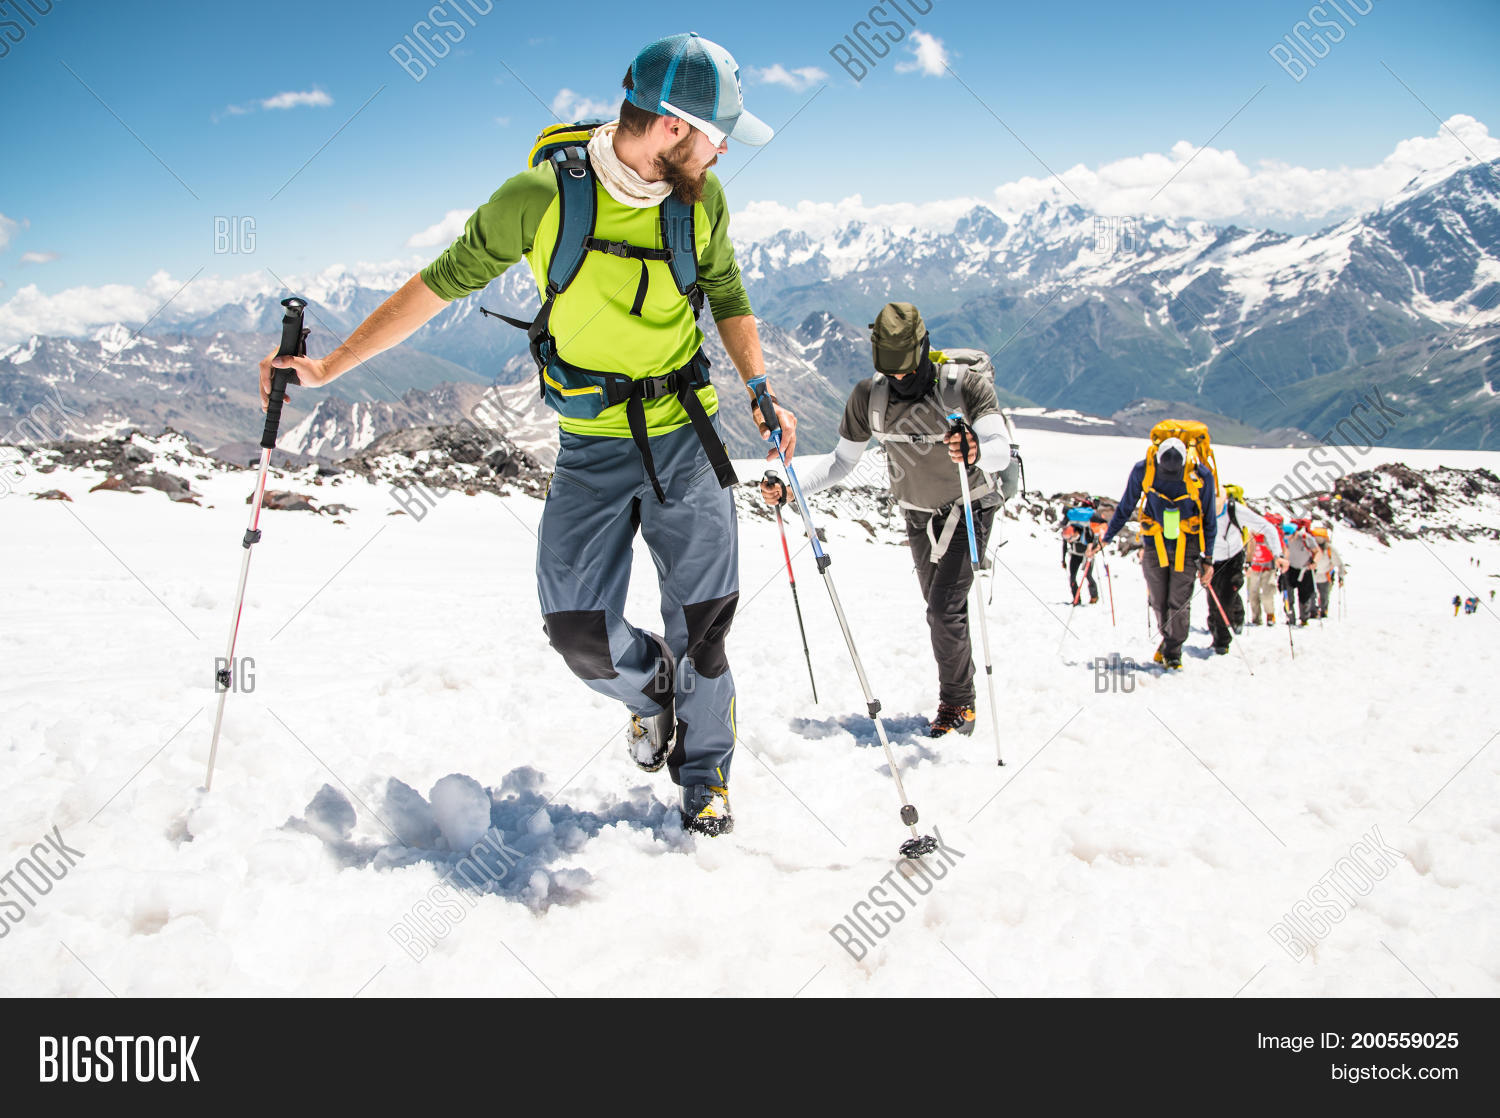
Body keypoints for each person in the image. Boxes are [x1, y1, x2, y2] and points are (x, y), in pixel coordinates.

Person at [259, 33, 795, 838]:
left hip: (686, 435)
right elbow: (438, 283)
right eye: (720, 135)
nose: (725, 153)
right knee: (576, 627)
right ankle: (653, 690)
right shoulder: (541, 198)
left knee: (707, 625)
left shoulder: (701, 201)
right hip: (591, 445)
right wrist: (332, 365)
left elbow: (724, 288)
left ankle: (705, 773)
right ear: (674, 130)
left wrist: (759, 384)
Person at [761, 302, 1020, 737]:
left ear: (924, 349)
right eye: (890, 367)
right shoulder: (869, 397)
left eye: (906, 366)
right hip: (917, 513)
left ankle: (959, 704)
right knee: (940, 610)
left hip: (971, 504)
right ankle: (959, 693)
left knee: (943, 609)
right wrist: (792, 490)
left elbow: (1000, 446)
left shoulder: (967, 387)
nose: (899, 377)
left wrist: (974, 449)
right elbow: (842, 462)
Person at [1090, 436, 1216, 670]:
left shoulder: (1200, 475)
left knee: (1178, 600)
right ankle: (1169, 642)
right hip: (1154, 542)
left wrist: (1208, 559)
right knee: (1158, 600)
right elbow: (1127, 506)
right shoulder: (1143, 470)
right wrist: (1106, 538)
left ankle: (1173, 651)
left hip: (1186, 546)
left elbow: (1209, 517)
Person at [1207, 483, 1286, 652]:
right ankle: (1217, 635)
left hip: (1233, 559)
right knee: (1213, 602)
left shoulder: (1234, 510)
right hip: (1211, 560)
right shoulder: (1200, 510)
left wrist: (1278, 555)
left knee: (1226, 599)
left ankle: (1223, 642)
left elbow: (1268, 529)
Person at [1246, 513, 1284, 626]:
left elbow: (1281, 550)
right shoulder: (1251, 535)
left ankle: (1270, 615)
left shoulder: (1272, 536)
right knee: (1253, 595)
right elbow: (1248, 550)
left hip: (1268, 568)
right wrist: (1247, 564)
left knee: (1267, 594)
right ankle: (1256, 618)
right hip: (1254, 568)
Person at [1282, 519, 1322, 626]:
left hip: (1305, 569)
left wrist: (1314, 562)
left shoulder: (1305, 538)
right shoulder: (1284, 540)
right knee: (1288, 594)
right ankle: (1290, 618)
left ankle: (1304, 618)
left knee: (1304, 596)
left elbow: (1317, 552)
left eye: (1288, 535)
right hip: (1290, 568)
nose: (1287, 537)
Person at [1060, 508, 1102, 604]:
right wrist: (1063, 560)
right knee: (1072, 577)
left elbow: (1092, 543)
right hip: (1075, 555)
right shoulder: (1067, 533)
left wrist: (1090, 551)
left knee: (1088, 575)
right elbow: (1064, 547)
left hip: (1087, 555)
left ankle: (1094, 597)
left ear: (1075, 533)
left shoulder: (1086, 533)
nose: (1069, 541)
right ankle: (1076, 599)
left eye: (1070, 539)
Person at [1312, 527, 1345, 619]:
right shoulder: (1327, 548)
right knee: (1318, 595)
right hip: (1319, 576)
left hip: (1322, 576)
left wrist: (1341, 576)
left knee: (1320, 595)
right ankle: (1318, 611)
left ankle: (1319, 611)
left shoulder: (1328, 549)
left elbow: (1339, 563)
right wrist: (1341, 577)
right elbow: (1340, 564)